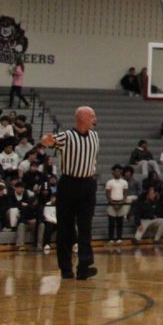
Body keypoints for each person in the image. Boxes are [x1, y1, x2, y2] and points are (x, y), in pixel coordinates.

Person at [39, 106, 100, 280]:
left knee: (85, 227)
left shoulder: (95, 135)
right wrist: (46, 140)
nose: (95, 119)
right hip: (69, 184)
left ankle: (84, 266)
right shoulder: (67, 136)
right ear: (81, 118)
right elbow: (47, 141)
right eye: (92, 116)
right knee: (65, 227)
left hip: (88, 183)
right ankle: (66, 268)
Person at [105, 164, 130, 245]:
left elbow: (125, 193)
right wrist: (112, 202)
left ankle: (119, 238)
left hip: (121, 203)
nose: (117, 173)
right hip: (112, 203)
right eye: (115, 171)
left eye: (119, 171)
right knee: (111, 223)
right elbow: (107, 194)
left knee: (120, 222)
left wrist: (122, 202)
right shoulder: (109, 182)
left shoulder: (124, 182)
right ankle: (111, 239)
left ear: (121, 172)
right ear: (113, 172)